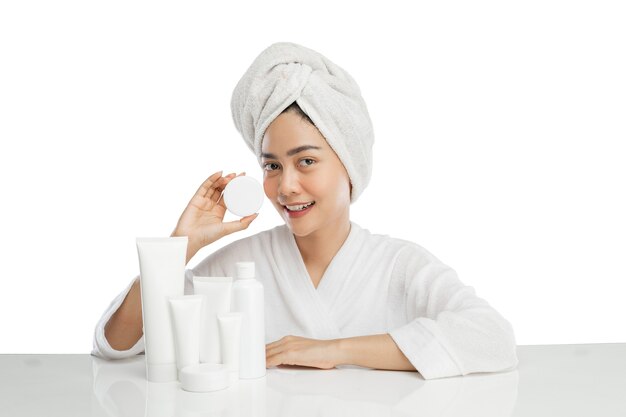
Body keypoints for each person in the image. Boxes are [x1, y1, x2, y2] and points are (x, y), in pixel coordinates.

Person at [92, 42, 518, 379]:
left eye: (307, 161)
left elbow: (493, 339)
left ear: (349, 166)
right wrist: (181, 248)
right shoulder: (239, 267)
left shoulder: (398, 266)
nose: (286, 186)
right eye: (272, 166)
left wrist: (334, 350)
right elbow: (116, 344)